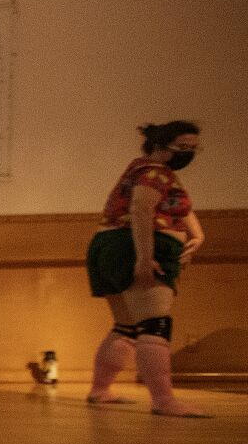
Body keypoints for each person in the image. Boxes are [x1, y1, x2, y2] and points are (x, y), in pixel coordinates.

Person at [86, 120, 207, 416]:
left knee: (126, 326)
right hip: (134, 245)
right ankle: (164, 399)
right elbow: (141, 209)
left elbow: (180, 207)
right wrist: (144, 256)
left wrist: (198, 234)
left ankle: (100, 390)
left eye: (193, 147)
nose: (188, 153)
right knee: (155, 324)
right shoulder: (154, 173)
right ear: (160, 145)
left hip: (108, 246)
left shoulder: (142, 169)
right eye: (182, 147)